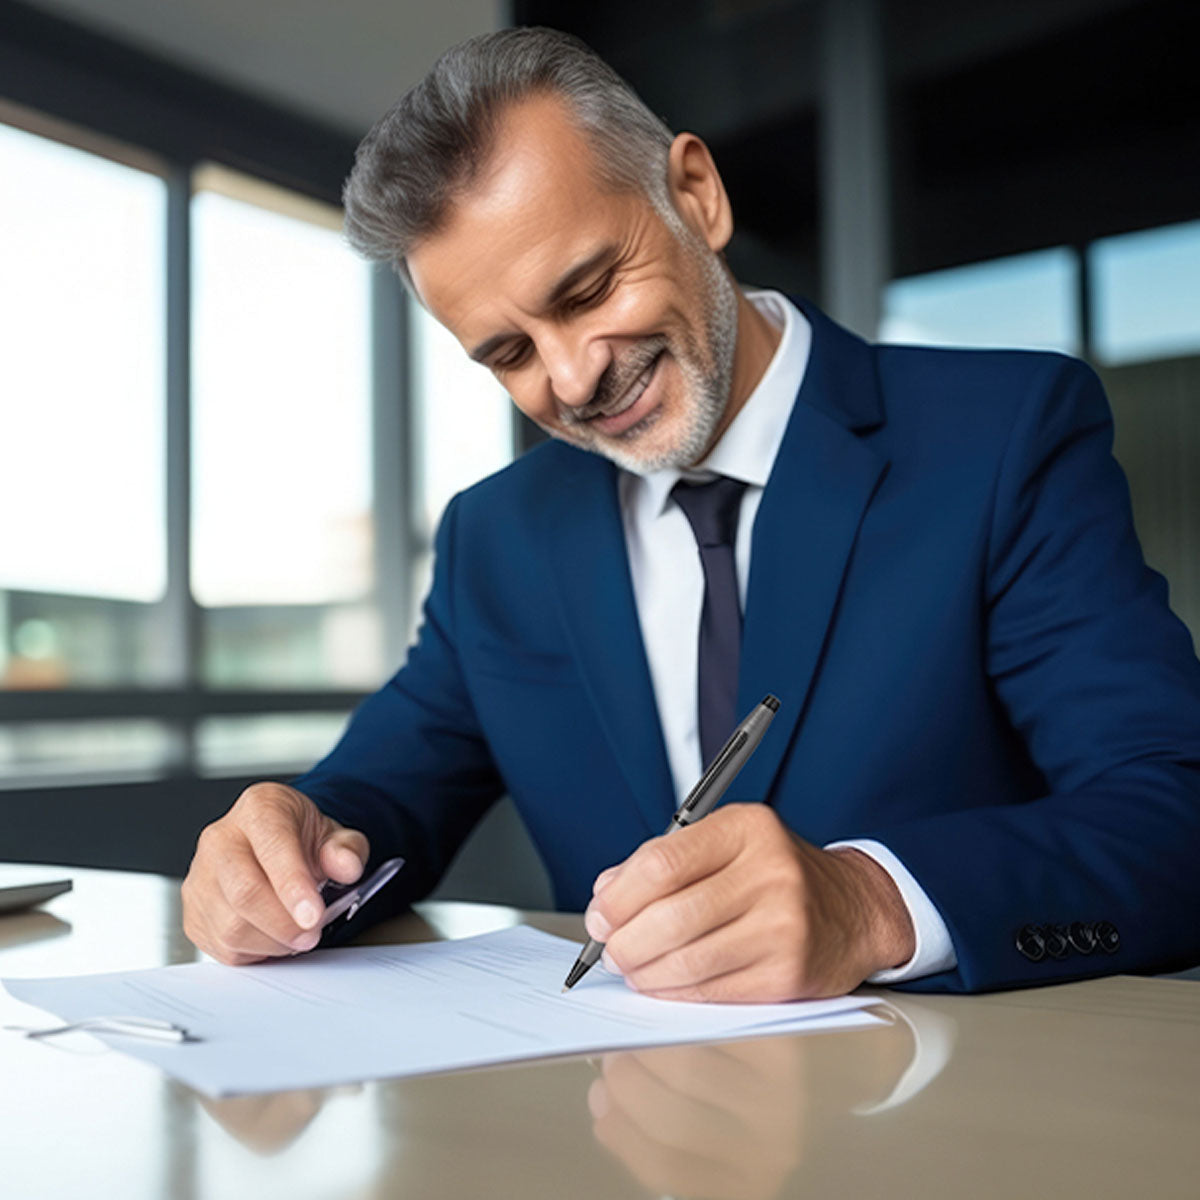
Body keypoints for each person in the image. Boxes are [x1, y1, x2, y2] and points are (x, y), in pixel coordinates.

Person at [181, 27, 1200, 998]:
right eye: (509, 353)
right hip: (626, 1126)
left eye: (586, 291)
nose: (573, 379)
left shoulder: (1002, 434)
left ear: (696, 196)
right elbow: (380, 803)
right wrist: (283, 851)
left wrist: (872, 904)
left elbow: (1172, 812)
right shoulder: (496, 535)